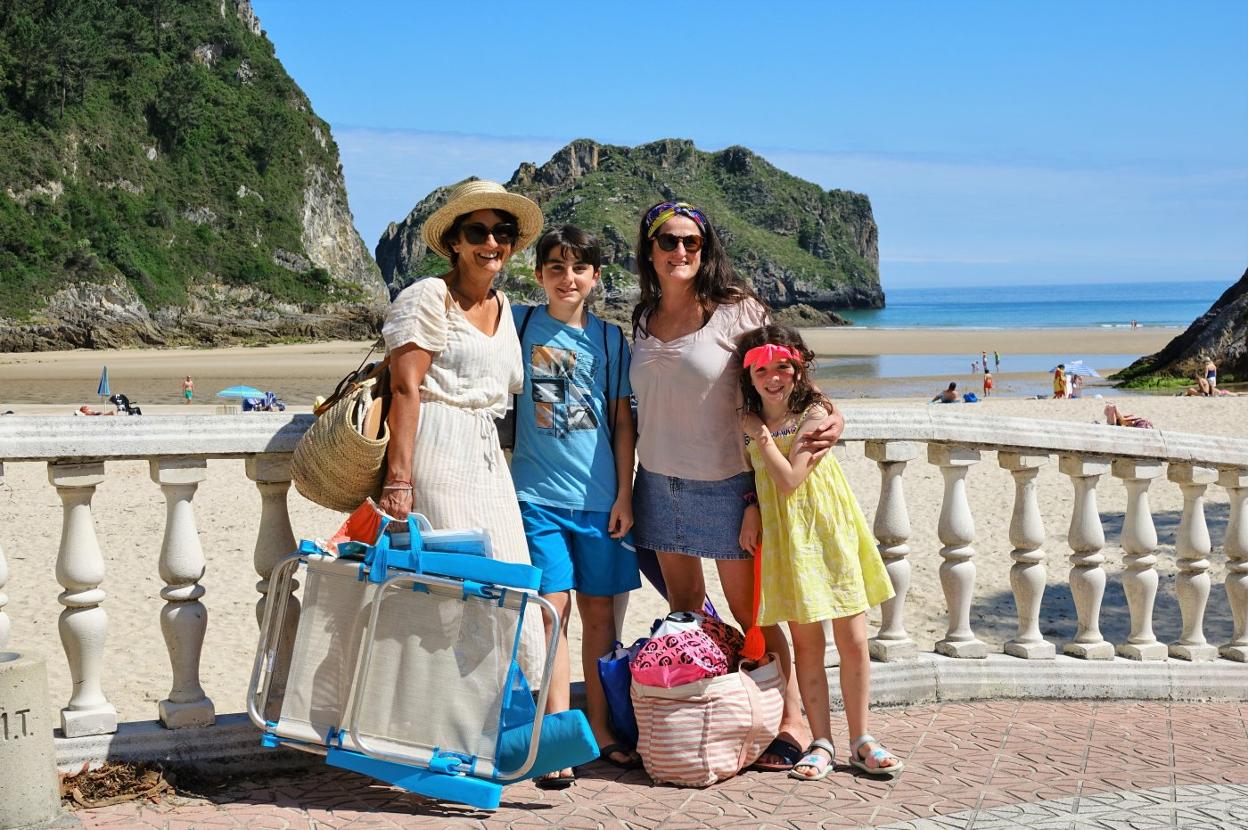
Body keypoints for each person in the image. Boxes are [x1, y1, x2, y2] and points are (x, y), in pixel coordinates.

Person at [629, 199, 844, 771]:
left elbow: (786, 369)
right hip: (657, 482)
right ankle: (722, 713)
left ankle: (791, 721)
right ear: (649, 250)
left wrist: (828, 411)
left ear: (705, 250)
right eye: (668, 242)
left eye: (691, 243)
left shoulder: (735, 311)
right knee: (686, 611)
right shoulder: (642, 318)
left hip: (727, 485)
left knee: (756, 615)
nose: (680, 252)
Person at [379, 179, 547, 679]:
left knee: (514, 590)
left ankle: (494, 727)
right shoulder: (430, 296)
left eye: (503, 232)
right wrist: (399, 482)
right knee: (458, 598)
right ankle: (452, 731)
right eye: (478, 231)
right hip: (439, 452)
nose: (491, 243)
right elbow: (406, 389)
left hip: (489, 461)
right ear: (454, 241)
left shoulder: (504, 308)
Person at [735, 325, 900, 782]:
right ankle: (821, 741)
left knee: (853, 640)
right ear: (747, 375)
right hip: (787, 541)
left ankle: (862, 738)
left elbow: (789, 479)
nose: (773, 377)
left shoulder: (815, 411)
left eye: (782, 367)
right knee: (808, 647)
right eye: (761, 369)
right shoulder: (744, 421)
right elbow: (754, 478)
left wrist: (761, 435)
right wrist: (750, 507)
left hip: (827, 533)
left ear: (798, 368)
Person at [511, 226, 642, 786]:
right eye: (557, 268)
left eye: (579, 269)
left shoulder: (611, 341)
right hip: (534, 497)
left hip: (599, 502)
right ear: (539, 275)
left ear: (595, 277)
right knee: (551, 613)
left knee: (600, 617)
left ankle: (602, 727)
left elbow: (621, 422)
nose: (568, 279)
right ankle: (559, 734)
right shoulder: (514, 324)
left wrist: (624, 494)